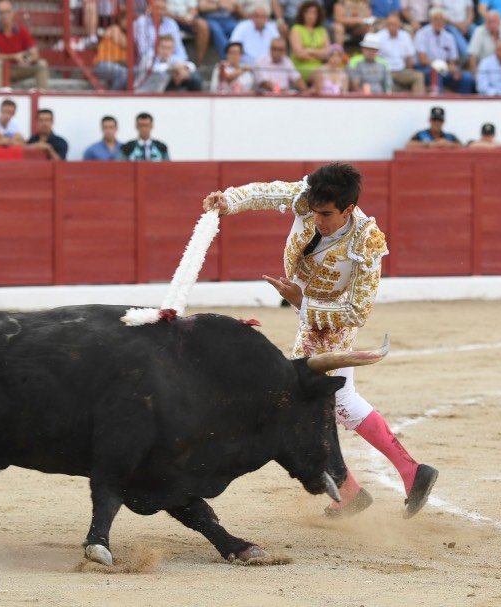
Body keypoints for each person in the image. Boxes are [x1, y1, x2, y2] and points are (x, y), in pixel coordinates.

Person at [201, 162, 439, 520]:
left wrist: (302, 302)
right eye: (314, 212)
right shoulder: (306, 197)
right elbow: (264, 193)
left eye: (327, 214)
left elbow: (357, 311)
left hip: (331, 322)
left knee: (310, 402)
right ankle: (392, 478)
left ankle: (357, 488)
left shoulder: (366, 240)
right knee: (332, 402)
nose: (318, 221)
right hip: (308, 311)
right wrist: (227, 200)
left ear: (349, 209)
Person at [0, 0, 49, 90]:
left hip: (18, 68)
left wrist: (26, 59)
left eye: (7, 12)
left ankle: (42, 95)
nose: (5, 15)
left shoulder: (23, 31)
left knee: (41, 64)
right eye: (1, 13)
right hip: (0, 70)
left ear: (13, 12)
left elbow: (35, 54)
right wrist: (15, 56)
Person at [414, 7, 474, 94]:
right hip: (426, 68)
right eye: (436, 19)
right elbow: (422, 59)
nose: (439, 22)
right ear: (430, 20)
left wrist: (453, 69)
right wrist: (440, 66)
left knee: (467, 78)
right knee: (435, 74)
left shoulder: (449, 37)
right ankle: (438, 102)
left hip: (445, 69)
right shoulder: (422, 34)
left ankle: (463, 105)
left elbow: (453, 60)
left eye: (441, 20)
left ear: (445, 21)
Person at [376, 12, 426, 93]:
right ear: (386, 25)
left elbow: (410, 58)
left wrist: (408, 71)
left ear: (400, 24)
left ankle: (419, 103)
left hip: (401, 71)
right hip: (384, 71)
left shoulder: (405, 36)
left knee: (418, 76)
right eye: (390, 24)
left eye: (395, 24)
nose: (392, 26)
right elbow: (376, 58)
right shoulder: (379, 36)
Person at [138, 34, 203, 92]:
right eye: (163, 47)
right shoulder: (150, 56)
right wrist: (173, 69)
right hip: (144, 92)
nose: (166, 51)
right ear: (157, 47)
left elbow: (192, 65)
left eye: (169, 48)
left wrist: (183, 69)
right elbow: (153, 68)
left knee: (194, 78)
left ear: (173, 49)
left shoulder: (172, 58)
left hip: (161, 89)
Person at [288, 0, 329, 85]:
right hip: (301, 68)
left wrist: (309, 51)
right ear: (303, 14)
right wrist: (318, 54)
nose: (311, 16)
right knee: (319, 74)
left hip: (320, 67)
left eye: (314, 13)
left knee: (338, 72)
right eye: (308, 12)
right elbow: (299, 54)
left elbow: (327, 53)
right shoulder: (296, 29)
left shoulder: (322, 30)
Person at [92, 8, 129, 90]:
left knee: (132, 74)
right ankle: (112, 97)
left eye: (130, 19)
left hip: (117, 65)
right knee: (125, 73)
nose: (128, 22)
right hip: (102, 64)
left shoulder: (126, 34)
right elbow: (125, 43)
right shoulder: (114, 28)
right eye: (126, 19)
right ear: (120, 20)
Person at [166, 0, 210, 66]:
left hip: (186, 20)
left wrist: (189, 18)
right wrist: (180, 19)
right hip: (169, 19)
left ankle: (198, 64)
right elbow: (161, 9)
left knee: (202, 25)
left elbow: (194, 9)